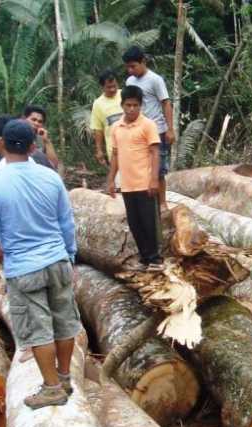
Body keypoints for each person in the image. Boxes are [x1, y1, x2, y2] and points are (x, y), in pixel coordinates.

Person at [0, 119, 81, 409]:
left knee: (38, 331)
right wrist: (70, 255)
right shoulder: (51, 177)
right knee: (64, 322)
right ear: (33, 146)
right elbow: (66, 222)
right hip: (57, 260)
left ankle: (51, 388)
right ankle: (63, 378)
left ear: (1, 145)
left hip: (24, 268)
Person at [107, 86, 164, 271]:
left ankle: (155, 258)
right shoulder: (116, 127)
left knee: (149, 222)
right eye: (128, 105)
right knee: (134, 223)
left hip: (144, 181)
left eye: (135, 105)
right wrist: (110, 180)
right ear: (122, 104)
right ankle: (145, 257)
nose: (131, 109)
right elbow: (115, 155)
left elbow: (155, 153)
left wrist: (154, 179)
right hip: (127, 184)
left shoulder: (148, 125)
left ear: (141, 106)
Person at [123, 46, 175, 211]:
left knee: (158, 169)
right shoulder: (130, 82)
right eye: (128, 67)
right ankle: (145, 202)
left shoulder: (155, 80)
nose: (130, 70)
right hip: (137, 131)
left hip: (157, 130)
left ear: (143, 62)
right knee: (139, 167)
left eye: (133, 66)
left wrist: (170, 129)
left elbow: (165, 103)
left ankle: (162, 202)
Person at [90, 69, 123, 166]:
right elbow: (98, 129)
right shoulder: (98, 104)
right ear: (102, 87)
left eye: (114, 86)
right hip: (113, 151)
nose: (112, 89)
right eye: (109, 87)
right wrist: (99, 151)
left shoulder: (125, 95)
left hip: (134, 148)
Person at [23, 105, 59, 170]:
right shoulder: (16, 135)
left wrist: (47, 141)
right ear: (25, 119)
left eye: (40, 121)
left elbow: (54, 165)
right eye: (33, 120)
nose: (36, 123)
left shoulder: (41, 139)